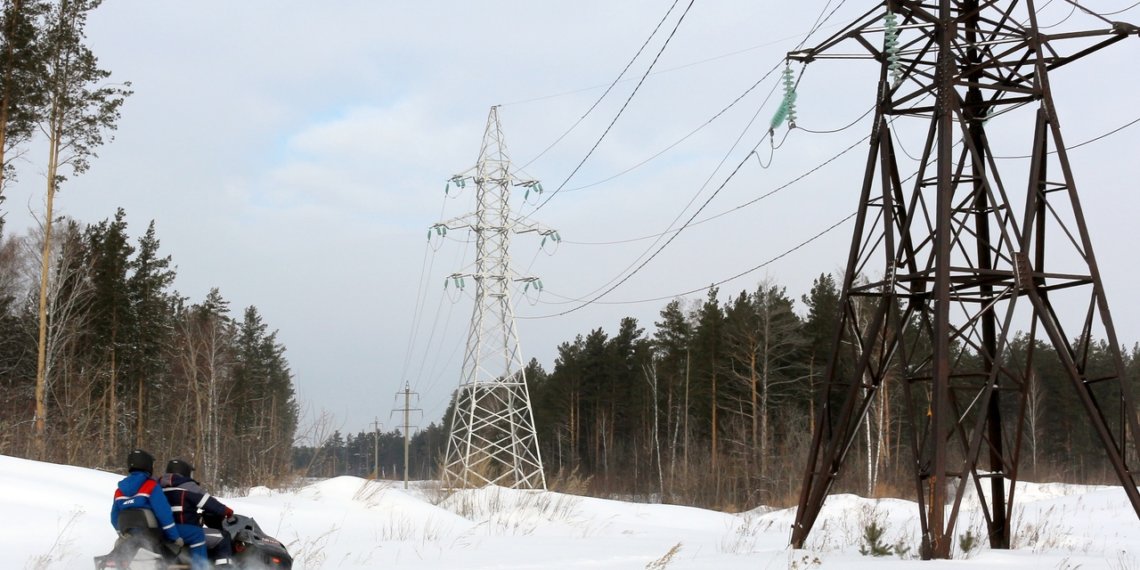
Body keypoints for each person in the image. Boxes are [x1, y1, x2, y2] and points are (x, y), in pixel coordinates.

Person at [159, 458, 236, 568]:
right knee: (223, 537)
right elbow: (209, 503)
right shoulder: (187, 486)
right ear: (184, 472)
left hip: (166, 531)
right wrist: (226, 511)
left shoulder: (158, 486)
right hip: (187, 532)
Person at [110, 449, 184, 553]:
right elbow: (164, 513)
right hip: (152, 538)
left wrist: (121, 534)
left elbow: (114, 517)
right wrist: (175, 537)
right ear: (147, 464)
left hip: (130, 538)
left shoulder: (119, 491)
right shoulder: (151, 486)